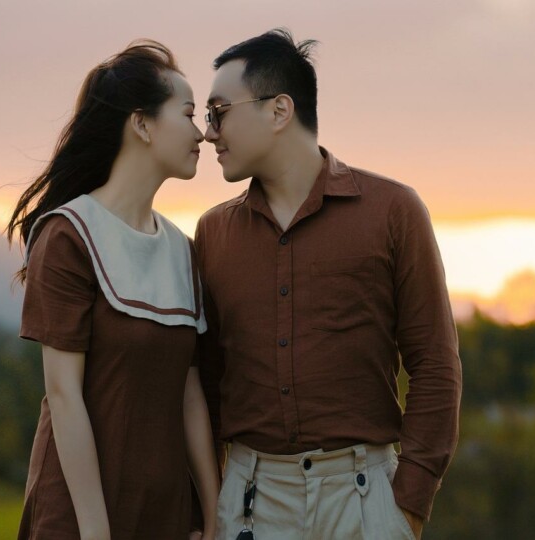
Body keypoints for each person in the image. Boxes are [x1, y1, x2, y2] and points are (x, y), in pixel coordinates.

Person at [193, 29, 462, 540]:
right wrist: (207, 505)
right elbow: (206, 384)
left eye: (219, 111)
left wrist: (407, 509)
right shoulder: (213, 233)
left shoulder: (394, 211)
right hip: (249, 500)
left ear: (278, 111)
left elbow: (435, 364)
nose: (209, 132)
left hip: (365, 501)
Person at [6, 40, 219, 540]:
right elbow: (63, 395)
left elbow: (189, 394)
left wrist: (212, 512)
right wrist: (96, 531)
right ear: (141, 124)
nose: (201, 134)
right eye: (188, 115)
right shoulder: (69, 235)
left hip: (164, 515)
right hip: (80, 517)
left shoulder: (181, 250)